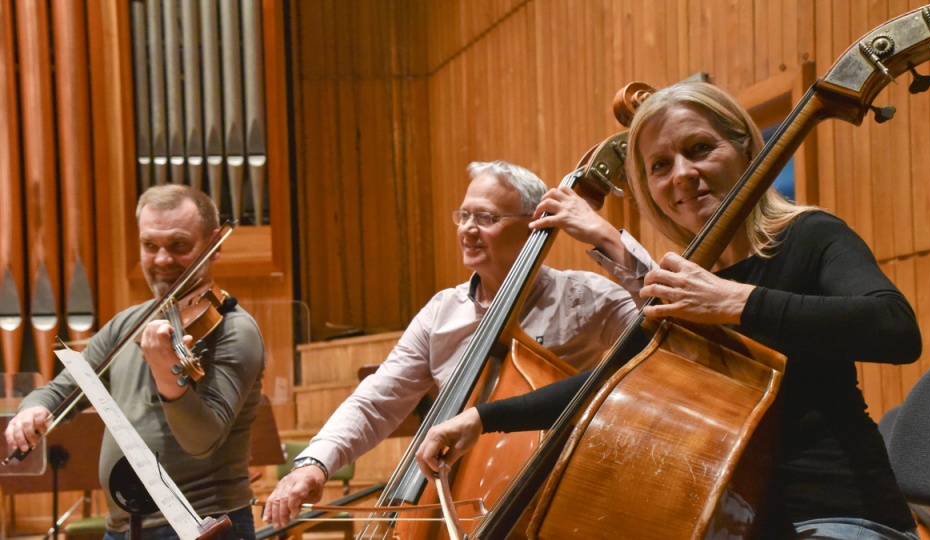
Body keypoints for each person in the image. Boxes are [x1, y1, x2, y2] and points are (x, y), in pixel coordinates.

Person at [416, 82, 923, 540]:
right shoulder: (683, 281)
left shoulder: (810, 236)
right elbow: (614, 377)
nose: (682, 175)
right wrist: (480, 419)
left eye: (700, 148)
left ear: (746, 148)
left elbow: (895, 328)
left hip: (840, 512)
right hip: (734, 522)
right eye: (660, 166)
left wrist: (733, 302)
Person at [262, 160, 649, 527]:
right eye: (463, 215)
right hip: (457, 501)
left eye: (486, 218)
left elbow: (665, 325)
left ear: (536, 223)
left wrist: (606, 238)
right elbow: (377, 400)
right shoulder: (442, 313)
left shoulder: (583, 298)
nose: (467, 228)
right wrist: (315, 463)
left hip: (552, 496)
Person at [5, 185, 265, 540]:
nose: (161, 260)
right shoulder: (127, 324)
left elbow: (202, 439)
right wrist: (30, 410)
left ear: (215, 244)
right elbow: (61, 390)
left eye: (178, 245)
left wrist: (168, 378)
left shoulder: (234, 330)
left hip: (203, 527)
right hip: (126, 529)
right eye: (149, 246)